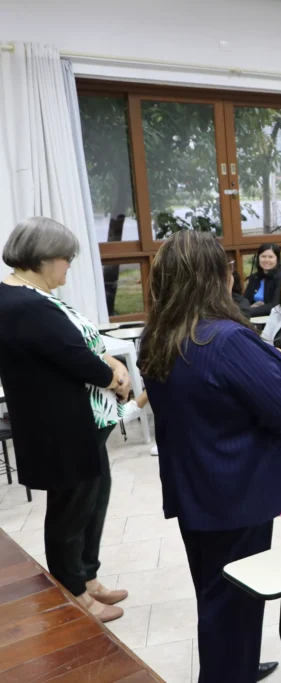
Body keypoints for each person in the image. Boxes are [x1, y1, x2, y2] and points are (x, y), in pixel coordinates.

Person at [141, 231, 281, 683]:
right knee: (235, 597)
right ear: (216, 277)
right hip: (236, 489)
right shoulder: (225, 339)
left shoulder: (157, 334)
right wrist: (277, 366)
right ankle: (228, 673)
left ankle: (236, 665)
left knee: (216, 592)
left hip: (194, 485)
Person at [0, 217, 131, 623]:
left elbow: (78, 341)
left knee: (93, 499)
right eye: (66, 259)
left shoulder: (31, 296)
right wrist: (113, 375)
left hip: (79, 422)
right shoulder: (24, 304)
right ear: (42, 259)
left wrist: (108, 362)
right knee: (70, 512)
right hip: (60, 427)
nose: (69, 267)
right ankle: (73, 592)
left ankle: (87, 577)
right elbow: (73, 357)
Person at [244, 242, 281, 310]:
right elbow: (245, 301)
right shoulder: (255, 277)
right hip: (253, 317)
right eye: (263, 256)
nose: (266, 260)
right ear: (258, 258)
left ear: (277, 259)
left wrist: (248, 311)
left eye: (270, 257)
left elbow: (274, 305)